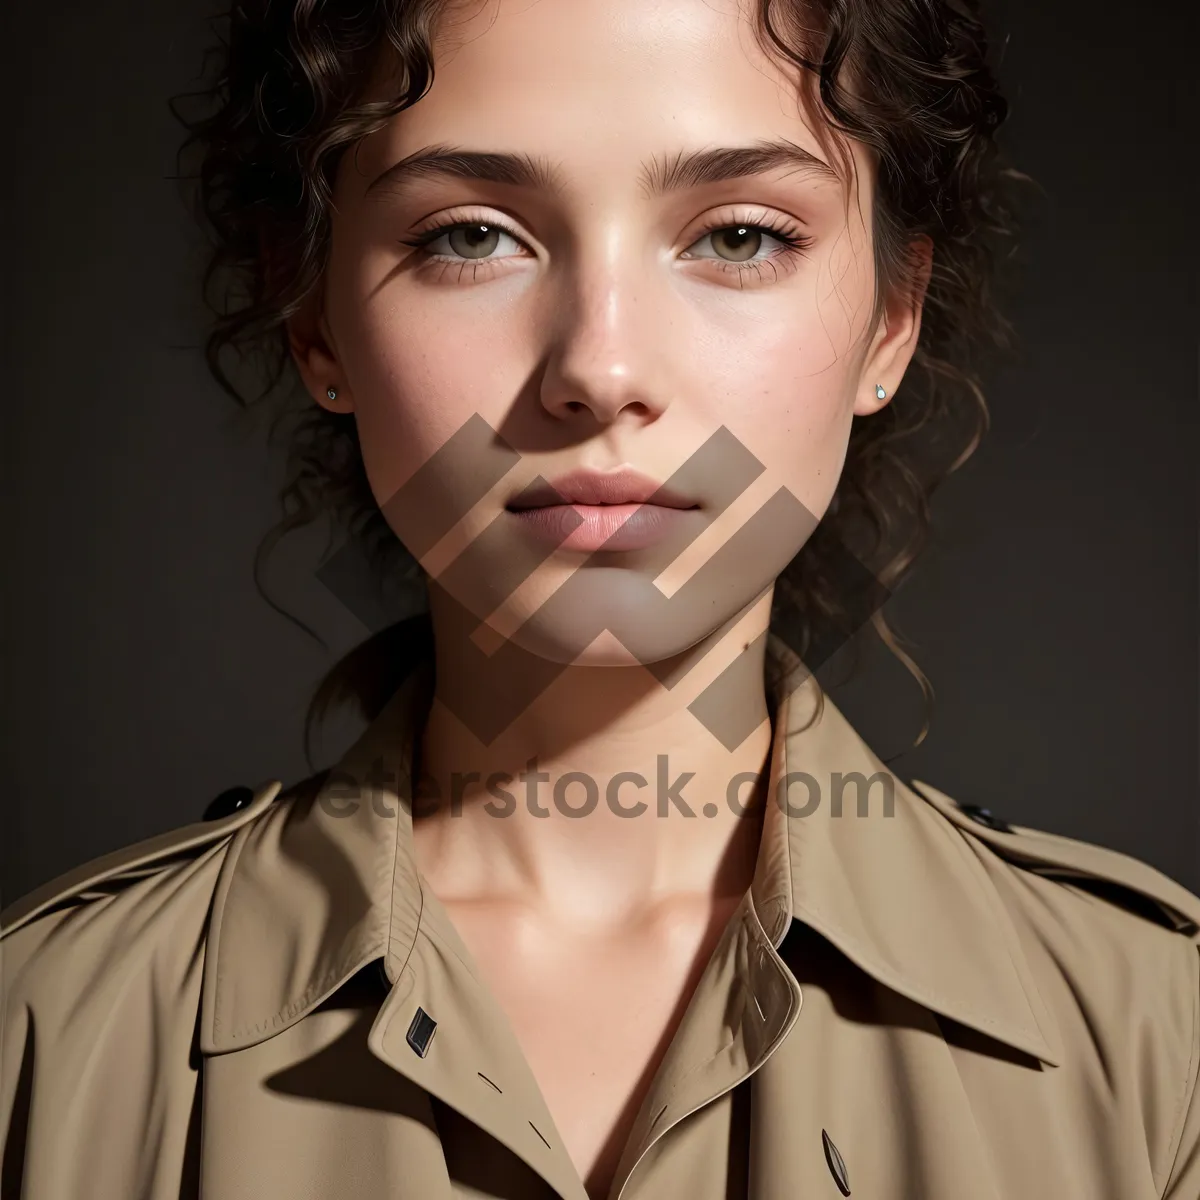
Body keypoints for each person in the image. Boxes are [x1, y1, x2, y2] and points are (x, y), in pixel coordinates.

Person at [2, 0, 1198, 1196]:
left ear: (893, 315)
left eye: (737, 236)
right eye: (472, 235)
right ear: (314, 314)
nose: (600, 368)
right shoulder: (42, 1043)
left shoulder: (1161, 1044)